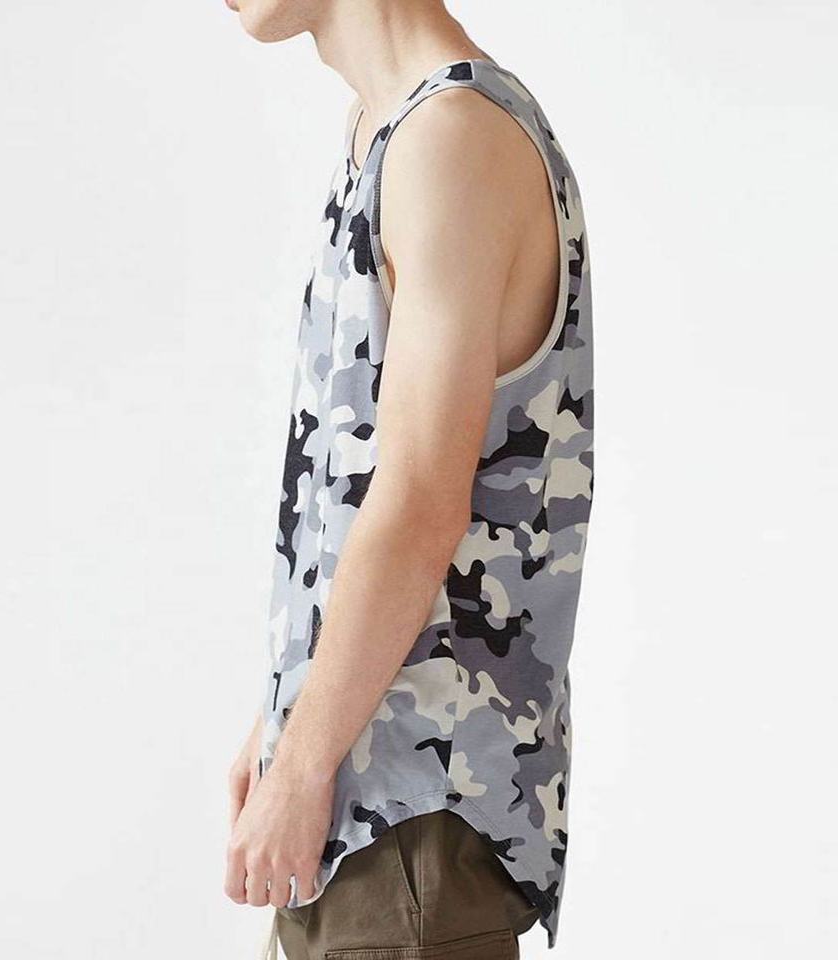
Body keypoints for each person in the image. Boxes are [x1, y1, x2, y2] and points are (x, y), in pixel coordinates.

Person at [222, 2, 594, 957]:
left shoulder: (451, 139)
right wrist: (287, 718)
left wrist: (304, 762)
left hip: (413, 819)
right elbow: (350, 483)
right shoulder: (389, 129)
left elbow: (422, 500)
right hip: (372, 810)